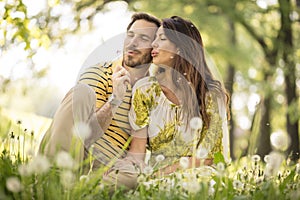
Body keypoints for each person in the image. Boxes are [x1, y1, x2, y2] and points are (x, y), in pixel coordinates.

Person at [103, 16, 230, 189]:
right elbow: (137, 153)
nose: (154, 44)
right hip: (154, 177)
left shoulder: (211, 96)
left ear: (181, 47)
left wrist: (158, 175)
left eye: (162, 38)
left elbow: (208, 157)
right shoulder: (145, 90)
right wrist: (120, 167)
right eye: (155, 38)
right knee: (111, 185)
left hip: (199, 175)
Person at [38, 13, 160, 171]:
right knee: (80, 92)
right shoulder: (98, 73)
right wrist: (115, 100)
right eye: (130, 35)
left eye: (143, 38)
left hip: (112, 167)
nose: (133, 43)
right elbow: (88, 135)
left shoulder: (153, 93)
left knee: (129, 178)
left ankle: (82, 190)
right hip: (80, 154)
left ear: (154, 49)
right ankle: (54, 175)